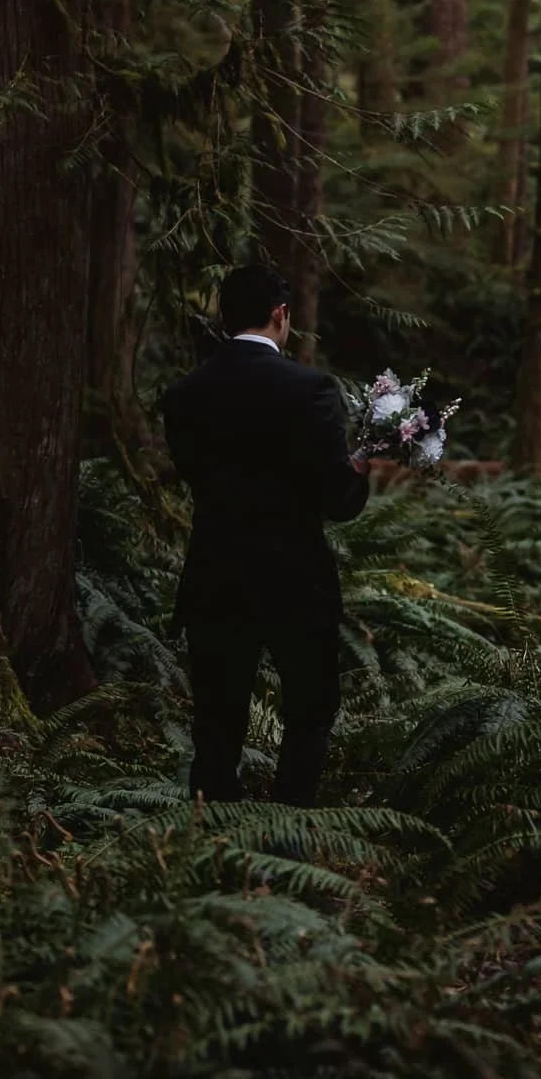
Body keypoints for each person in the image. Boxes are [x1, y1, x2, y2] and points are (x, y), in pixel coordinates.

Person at [162, 263, 370, 804]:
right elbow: (339, 501)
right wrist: (362, 464)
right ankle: (286, 838)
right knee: (310, 708)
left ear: (224, 317)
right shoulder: (312, 390)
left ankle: (210, 842)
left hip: (215, 572)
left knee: (216, 716)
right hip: (294, 578)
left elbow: (198, 478)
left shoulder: (185, 395)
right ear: (281, 315)